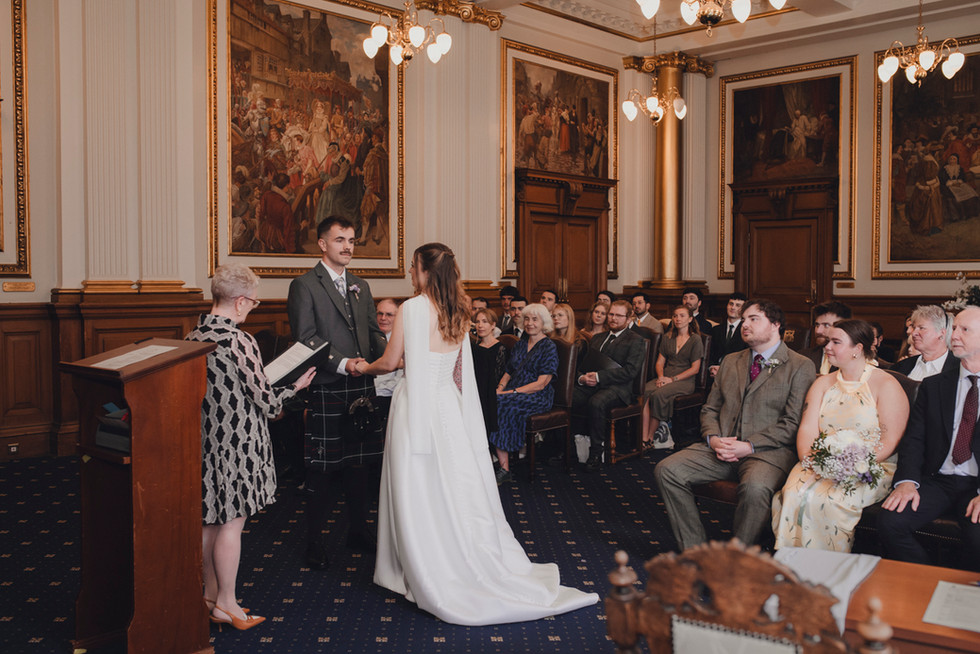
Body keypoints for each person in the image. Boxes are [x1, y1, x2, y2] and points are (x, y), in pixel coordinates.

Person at [355, 242, 598, 624]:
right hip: (447, 405)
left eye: (413, 266)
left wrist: (360, 367)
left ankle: (417, 561)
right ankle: (458, 549)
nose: (409, 273)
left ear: (423, 270)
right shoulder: (458, 309)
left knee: (415, 480)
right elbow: (454, 370)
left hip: (415, 405)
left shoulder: (412, 308)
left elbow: (389, 362)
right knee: (453, 479)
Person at [187, 263, 316, 630]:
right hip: (238, 442)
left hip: (206, 439)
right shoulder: (238, 340)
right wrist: (295, 388)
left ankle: (210, 595)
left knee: (209, 520)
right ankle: (227, 602)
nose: (252, 308)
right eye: (254, 303)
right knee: (231, 523)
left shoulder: (194, 334)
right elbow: (268, 403)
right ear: (240, 301)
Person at [654, 299, 816, 550]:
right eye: (744, 319)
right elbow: (710, 408)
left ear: (775, 325)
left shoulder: (800, 365)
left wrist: (749, 446)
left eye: (754, 319)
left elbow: (792, 422)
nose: (745, 324)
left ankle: (736, 556)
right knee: (667, 470)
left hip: (767, 453)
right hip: (721, 446)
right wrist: (713, 438)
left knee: (755, 488)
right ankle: (695, 549)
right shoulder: (731, 360)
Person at [287, 216, 389, 570]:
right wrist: (344, 363)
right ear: (322, 244)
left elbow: (375, 333)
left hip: (363, 384)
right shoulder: (304, 285)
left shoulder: (360, 284)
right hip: (331, 384)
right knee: (322, 467)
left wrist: (392, 356)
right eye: (339, 240)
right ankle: (315, 541)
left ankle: (358, 531)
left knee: (360, 464)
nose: (347, 246)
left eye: (351, 240)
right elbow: (306, 338)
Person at [772, 319, 909, 552]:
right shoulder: (823, 384)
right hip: (820, 461)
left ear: (858, 349)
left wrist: (856, 465)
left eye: (836, 342)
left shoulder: (885, 384)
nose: (827, 347)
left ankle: (831, 569)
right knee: (794, 493)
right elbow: (807, 429)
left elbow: (891, 438)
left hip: (871, 465)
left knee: (832, 500)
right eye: (827, 341)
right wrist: (813, 461)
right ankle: (793, 565)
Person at [878, 306, 980, 572]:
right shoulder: (935, 385)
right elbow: (915, 439)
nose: (954, 335)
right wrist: (907, 482)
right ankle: (929, 581)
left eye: (964, 330)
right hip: (939, 480)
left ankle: (964, 594)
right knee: (890, 521)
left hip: (977, 484)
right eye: (954, 328)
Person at [573, 300, 647, 472]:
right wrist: (582, 378)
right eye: (611, 314)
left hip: (620, 388)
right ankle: (569, 449)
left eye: (618, 315)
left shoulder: (635, 340)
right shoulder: (598, 338)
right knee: (572, 396)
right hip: (592, 383)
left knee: (596, 402)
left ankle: (596, 452)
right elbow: (583, 365)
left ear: (629, 319)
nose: (613, 318)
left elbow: (630, 372)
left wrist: (599, 377)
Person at [490, 303, 559, 485]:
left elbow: (541, 383)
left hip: (538, 396)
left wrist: (510, 392)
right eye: (527, 319)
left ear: (543, 322)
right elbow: (509, 370)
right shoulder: (521, 344)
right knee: (491, 400)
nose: (529, 323)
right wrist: (501, 386)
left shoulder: (549, 347)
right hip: (515, 390)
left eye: (535, 319)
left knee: (504, 404)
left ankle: (504, 468)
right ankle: (500, 462)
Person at [641, 306, 703, 448]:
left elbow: (695, 369)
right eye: (675, 316)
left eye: (682, 316)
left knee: (658, 395)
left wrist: (672, 380)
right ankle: (643, 437)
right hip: (666, 375)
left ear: (690, 319)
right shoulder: (667, 337)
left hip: (684, 380)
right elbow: (659, 363)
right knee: (644, 391)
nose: (678, 319)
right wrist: (661, 377)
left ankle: (650, 438)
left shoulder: (695, 340)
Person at [891, 305, 955, 381]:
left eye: (921, 328)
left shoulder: (958, 368)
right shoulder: (900, 367)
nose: (914, 333)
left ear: (941, 333)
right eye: (914, 328)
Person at [471, 307, 506, 444]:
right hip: (477, 389)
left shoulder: (500, 347)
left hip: (491, 391)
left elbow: (499, 375)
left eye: (485, 321)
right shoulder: (475, 348)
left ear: (493, 325)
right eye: (478, 322)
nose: (480, 325)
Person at [373, 298, 403, 431]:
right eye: (380, 313)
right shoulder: (367, 338)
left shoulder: (404, 341)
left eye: (389, 314)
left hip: (389, 399)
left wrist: (374, 390)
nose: (383, 318)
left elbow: (400, 381)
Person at [805, 301, 852, 375]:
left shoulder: (853, 358)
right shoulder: (803, 356)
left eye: (826, 325)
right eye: (817, 325)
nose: (818, 331)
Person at [709, 292, 748, 376]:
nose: (733, 307)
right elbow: (709, 354)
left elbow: (746, 358)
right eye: (731, 304)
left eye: (738, 305)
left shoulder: (746, 331)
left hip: (736, 374)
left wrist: (724, 370)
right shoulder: (716, 330)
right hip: (714, 374)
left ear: (744, 310)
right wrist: (712, 367)